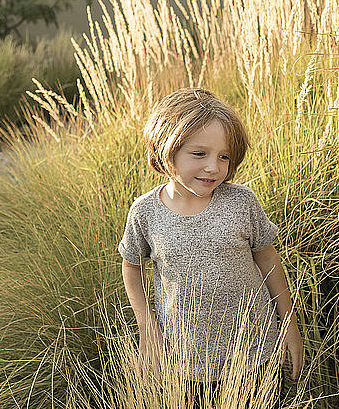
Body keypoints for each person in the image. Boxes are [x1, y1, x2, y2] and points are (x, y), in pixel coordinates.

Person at [118, 87, 304, 408]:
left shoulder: (241, 201)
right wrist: (148, 330)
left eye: (224, 156)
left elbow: (268, 258)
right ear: (166, 149)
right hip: (185, 361)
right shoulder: (145, 212)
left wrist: (290, 326)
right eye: (199, 154)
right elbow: (132, 266)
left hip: (256, 351)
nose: (213, 168)